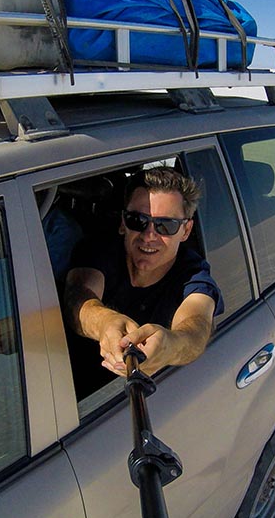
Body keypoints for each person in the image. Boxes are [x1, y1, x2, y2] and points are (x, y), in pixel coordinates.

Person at [63, 167, 223, 393]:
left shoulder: (192, 274)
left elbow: (197, 327)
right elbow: (78, 295)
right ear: (122, 223)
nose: (149, 236)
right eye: (137, 220)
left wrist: (170, 345)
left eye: (165, 225)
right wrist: (104, 321)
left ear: (186, 231)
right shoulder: (100, 250)